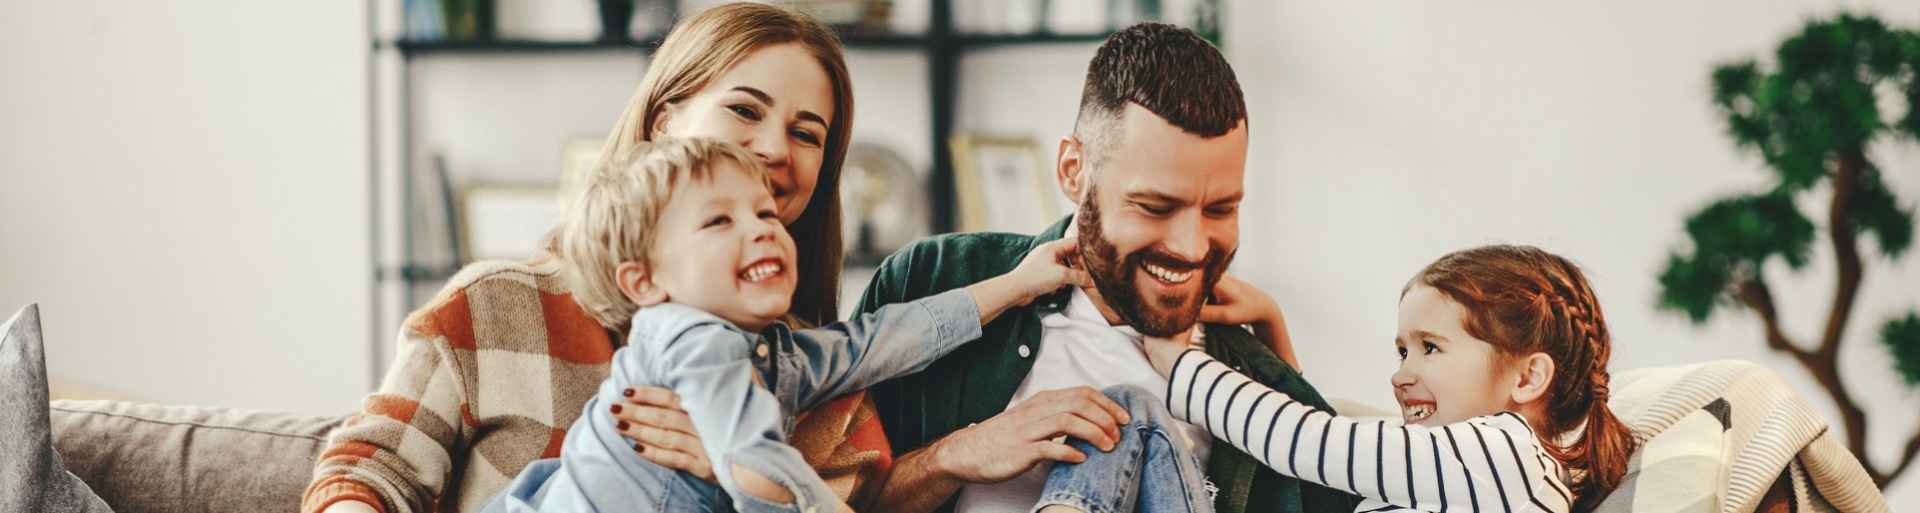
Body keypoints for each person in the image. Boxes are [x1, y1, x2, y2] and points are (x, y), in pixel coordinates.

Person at [302, 4, 879, 512]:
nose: (776, 149)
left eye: (807, 134)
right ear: (663, 124)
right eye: (746, 111)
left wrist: (745, 477)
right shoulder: (493, 306)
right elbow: (372, 471)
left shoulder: (823, 377)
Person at [844, 23, 1356, 513]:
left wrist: (1279, 358)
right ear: (1073, 170)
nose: (1191, 246)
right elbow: (818, 496)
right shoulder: (934, 281)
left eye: (1220, 209)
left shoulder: (1249, 373)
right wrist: (957, 456)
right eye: (1155, 207)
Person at [479, 137, 1089, 513]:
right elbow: (754, 467)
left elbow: (878, 341)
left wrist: (1018, 283)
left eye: (764, 211)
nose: (763, 227)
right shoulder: (694, 340)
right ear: (646, 283)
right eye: (720, 221)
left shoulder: (771, 352)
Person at [1139, 245, 1639, 513]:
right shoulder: (1484, 471)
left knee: (1137, 422)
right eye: (1402, 351)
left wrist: (1179, 363)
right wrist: (1271, 322)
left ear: (1528, 377)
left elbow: (1310, 443)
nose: (1400, 375)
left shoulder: (1505, 454)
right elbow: (1326, 474)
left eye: (1430, 347)